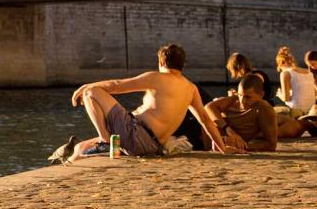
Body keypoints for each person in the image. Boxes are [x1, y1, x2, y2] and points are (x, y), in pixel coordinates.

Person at [61, 43, 230, 161]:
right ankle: (101, 143)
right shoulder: (191, 88)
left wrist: (87, 85)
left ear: (161, 62)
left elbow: (117, 86)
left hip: (136, 136)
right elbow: (205, 120)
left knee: (91, 92)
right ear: (182, 64)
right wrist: (223, 148)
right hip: (153, 145)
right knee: (80, 148)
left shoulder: (157, 77)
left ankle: (105, 141)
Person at [205, 75, 278, 152]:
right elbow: (208, 107)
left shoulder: (265, 109)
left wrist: (241, 146)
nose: (242, 101)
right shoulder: (234, 100)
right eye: (240, 95)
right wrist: (227, 129)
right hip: (200, 134)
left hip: (213, 141)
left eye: (248, 97)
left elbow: (271, 144)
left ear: (261, 95)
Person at [275, 46, 317, 115]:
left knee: (275, 102)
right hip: (311, 108)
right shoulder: (309, 72)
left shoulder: (285, 73)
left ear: (281, 63)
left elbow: (286, 99)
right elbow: (314, 92)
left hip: (296, 109)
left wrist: (279, 94)